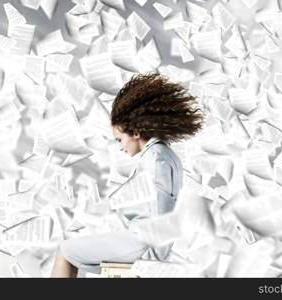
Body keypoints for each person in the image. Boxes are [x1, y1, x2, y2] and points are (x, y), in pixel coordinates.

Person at [50, 73, 204, 277]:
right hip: (141, 240)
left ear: (136, 133)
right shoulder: (164, 154)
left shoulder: (156, 159)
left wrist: (152, 261)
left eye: (119, 139)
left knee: (66, 250)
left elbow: (160, 212)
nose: (120, 147)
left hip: (142, 243)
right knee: (70, 249)